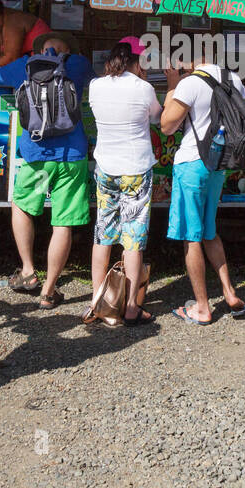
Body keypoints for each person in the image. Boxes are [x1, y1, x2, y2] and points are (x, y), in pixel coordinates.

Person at [0, 32, 94, 308]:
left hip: (36, 152)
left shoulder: (24, 65)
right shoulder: (78, 64)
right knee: (63, 221)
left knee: (22, 205)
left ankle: (28, 270)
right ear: (68, 50)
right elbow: (95, 77)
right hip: (72, 154)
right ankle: (49, 289)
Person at [160, 49, 245, 325]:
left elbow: (166, 125)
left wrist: (173, 85)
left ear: (190, 59)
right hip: (219, 163)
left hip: (192, 162)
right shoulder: (234, 79)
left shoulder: (190, 83)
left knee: (192, 236)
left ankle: (201, 307)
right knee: (209, 230)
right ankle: (230, 293)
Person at [87, 36, 161, 325]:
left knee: (103, 230)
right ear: (137, 61)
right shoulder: (144, 88)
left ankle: (99, 301)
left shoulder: (96, 85)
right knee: (133, 237)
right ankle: (130, 307)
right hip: (136, 170)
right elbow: (158, 118)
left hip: (106, 167)